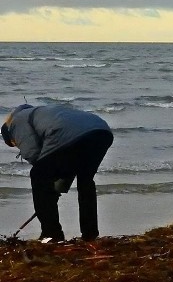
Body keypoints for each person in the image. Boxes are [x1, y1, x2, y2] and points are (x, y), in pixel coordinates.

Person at [1, 103, 113, 241]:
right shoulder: (43, 111)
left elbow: (35, 155)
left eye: (15, 144)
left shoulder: (16, 123)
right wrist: (56, 186)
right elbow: (62, 160)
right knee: (85, 181)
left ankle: (52, 234)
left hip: (68, 134)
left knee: (37, 175)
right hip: (101, 131)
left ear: (10, 135)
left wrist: (47, 193)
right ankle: (90, 234)